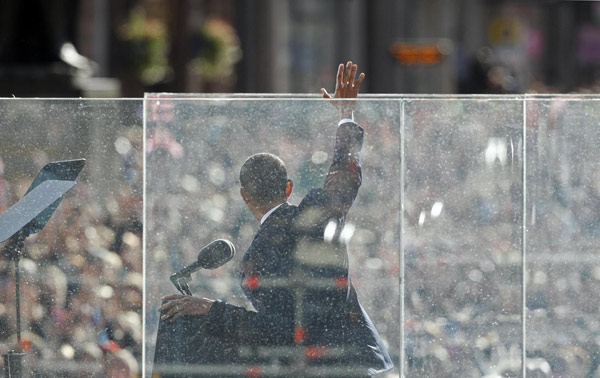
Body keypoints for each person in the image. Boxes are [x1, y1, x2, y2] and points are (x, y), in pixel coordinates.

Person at [159, 61, 393, 376]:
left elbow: (281, 332)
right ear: (288, 188)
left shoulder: (256, 259)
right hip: (360, 362)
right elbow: (344, 179)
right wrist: (345, 115)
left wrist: (210, 309)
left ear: (244, 196)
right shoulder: (316, 215)